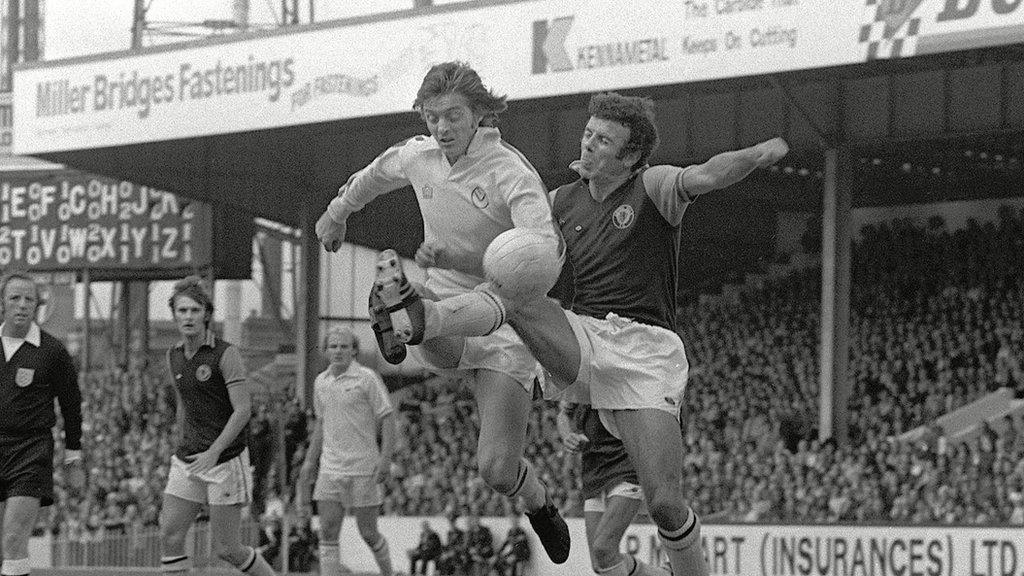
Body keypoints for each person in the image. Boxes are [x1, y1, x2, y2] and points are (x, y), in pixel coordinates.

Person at [371, 92, 789, 576]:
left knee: (665, 505)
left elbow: (709, 173)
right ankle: (418, 318)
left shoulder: (651, 187)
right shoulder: (559, 203)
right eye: (588, 134)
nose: (589, 144)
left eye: (604, 140)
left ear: (629, 156)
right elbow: (505, 257)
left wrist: (757, 155)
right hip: (584, 337)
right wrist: (447, 258)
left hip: (645, 352)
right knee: (519, 290)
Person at [315, 60, 570, 563]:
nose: (442, 128)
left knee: (497, 470)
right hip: (443, 307)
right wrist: (335, 213)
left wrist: (467, 258)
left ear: (479, 114)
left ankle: (540, 504)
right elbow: (370, 177)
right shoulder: (418, 157)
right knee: (427, 313)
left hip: (505, 317)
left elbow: (543, 255)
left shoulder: (510, 171)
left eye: (453, 115)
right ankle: (407, 307)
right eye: (432, 117)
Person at [158, 276, 275, 576]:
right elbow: (186, 405)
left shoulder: (226, 353)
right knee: (170, 536)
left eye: (195, 311)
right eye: (182, 311)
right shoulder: (173, 356)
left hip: (224, 460)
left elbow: (243, 410)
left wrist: (213, 451)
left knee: (227, 550)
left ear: (207, 314)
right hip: (189, 458)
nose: (188, 317)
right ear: (174, 314)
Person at [0, 272, 83, 576]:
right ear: (2, 303)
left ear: (37, 305)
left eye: (29, 299)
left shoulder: (53, 351)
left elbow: (72, 407)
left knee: (13, 539)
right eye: (15, 298)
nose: (22, 305)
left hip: (30, 451)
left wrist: (73, 456)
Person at [297, 327, 395, 576]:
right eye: (333, 346)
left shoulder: (367, 378)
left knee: (369, 533)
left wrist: (385, 459)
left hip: (364, 468)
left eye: (344, 346)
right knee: (328, 530)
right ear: (326, 351)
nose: (338, 351)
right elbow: (321, 423)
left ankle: (388, 573)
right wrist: (310, 461)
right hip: (331, 467)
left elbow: (387, 417)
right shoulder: (321, 382)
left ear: (354, 350)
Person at [557, 398, 668, 576]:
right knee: (599, 563)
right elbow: (564, 413)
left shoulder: (628, 372)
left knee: (603, 547)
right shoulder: (581, 374)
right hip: (594, 469)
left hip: (626, 463)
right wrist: (568, 436)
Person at [464, 511, 494, 576]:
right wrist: (471, 551)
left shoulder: (485, 530)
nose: (475, 521)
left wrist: (479, 552)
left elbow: (489, 544)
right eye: (473, 520)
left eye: (476, 519)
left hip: (483, 553)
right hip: (473, 556)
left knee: (478, 563)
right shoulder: (469, 533)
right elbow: (467, 546)